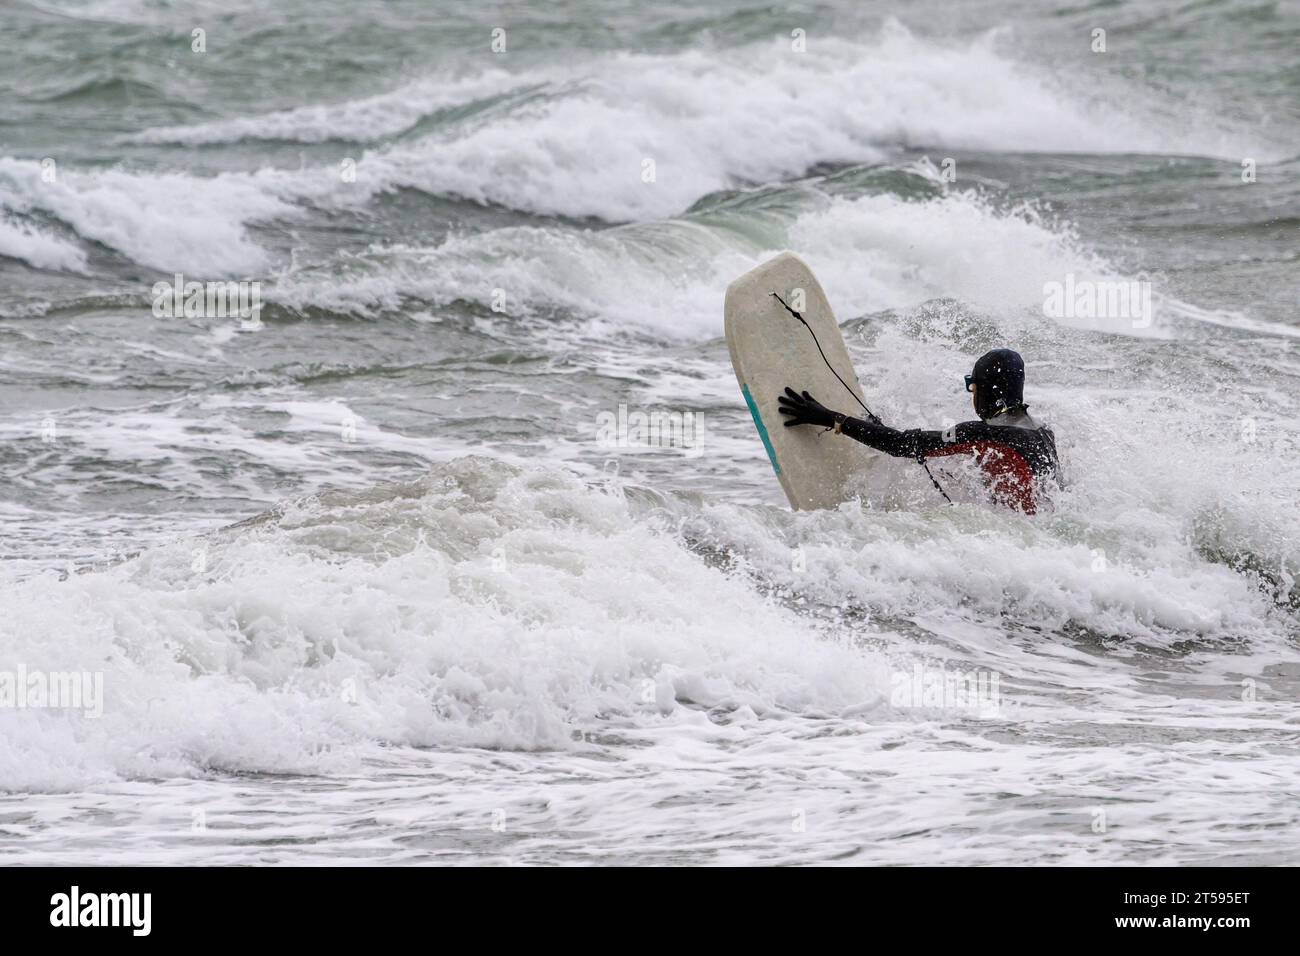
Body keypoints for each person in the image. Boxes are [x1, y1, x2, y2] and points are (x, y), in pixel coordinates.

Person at [777, 348, 1059, 513]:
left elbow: (899, 445)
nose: (972, 396)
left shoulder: (987, 434)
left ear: (984, 390)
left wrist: (828, 416)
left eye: (973, 388)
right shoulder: (1042, 430)